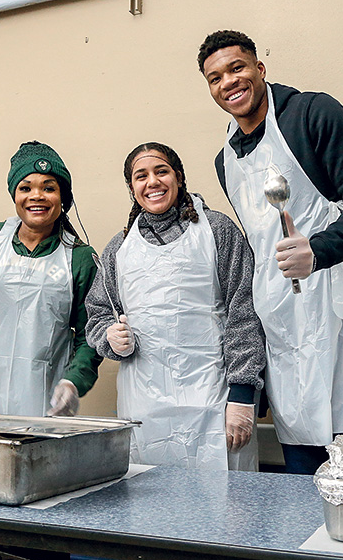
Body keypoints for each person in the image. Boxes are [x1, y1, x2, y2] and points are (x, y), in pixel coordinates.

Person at [198, 30, 343, 475]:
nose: (228, 82)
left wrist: (319, 250)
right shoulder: (225, 161)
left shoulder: (312, 113)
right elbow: (259, 244)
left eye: (237, 68)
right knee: (301, 476)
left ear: (260, 69)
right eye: (215, 78)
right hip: (284, 332)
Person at [85, 142, 265, 471]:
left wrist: (242, 395)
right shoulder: (119, 249)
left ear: (179, 177)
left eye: (161, 171)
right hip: (144, 408)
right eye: (141, 176)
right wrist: (109, 337)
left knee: (224, 498)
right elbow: (98, 314)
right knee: (152, 498)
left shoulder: (218, 230)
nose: (152, 182)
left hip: (214, 401)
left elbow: (244, 312)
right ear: (131, 188)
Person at [0, 141, 102, 417]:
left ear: (63, 198)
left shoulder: (79, 257)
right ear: (14, 195)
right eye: (25, 188)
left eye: (49, 188)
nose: (36, 196)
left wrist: (74, 381)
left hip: (43, 404)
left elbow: (90, 335)